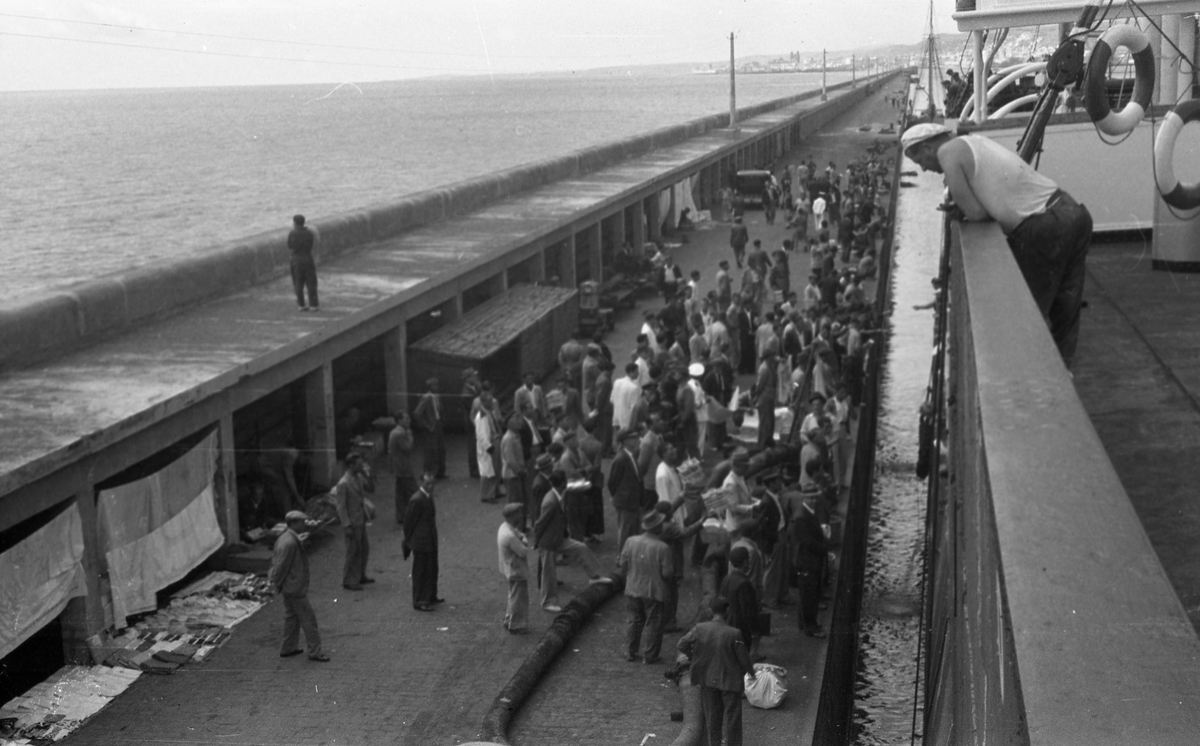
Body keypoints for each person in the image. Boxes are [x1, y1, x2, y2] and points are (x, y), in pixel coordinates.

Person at [901, 122, 1093, 367]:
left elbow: (977, 213)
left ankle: (1025, 377)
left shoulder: (946, 153)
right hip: (1071, 211)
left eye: (919, 163)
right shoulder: (973, 140)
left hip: (1042, 226)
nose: (925, 170)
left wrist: (960, 208)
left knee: (1024, 311)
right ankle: (1064, 370)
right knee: (1065, 310)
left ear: (927, 148)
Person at [677, 597, 754, 746]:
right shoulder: (734, 633)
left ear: (711, 611)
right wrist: (750, 672)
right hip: (730, 681)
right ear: (727, 611)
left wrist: (694, 657)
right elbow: (744, 659)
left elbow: (682, 644)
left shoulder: (700, 629)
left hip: (707, 678)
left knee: (712, 717)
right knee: (732, 718)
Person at [533, 469, 610, 613]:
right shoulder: (551, 501)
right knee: (548, 574)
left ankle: (595, 576)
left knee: (581, 548)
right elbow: (540, 524)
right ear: (561, 483)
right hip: (548, 543)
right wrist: (537, 542)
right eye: (565, 481)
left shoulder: (558, 494)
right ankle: (548, 602)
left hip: (559, 538)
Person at [269, 510, 329, 661]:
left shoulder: (285, 538)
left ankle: (288, 647)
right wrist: (276, 583)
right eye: (302, 522)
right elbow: (281, 567)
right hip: (294, 587)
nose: (304, 525)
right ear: (294, 523)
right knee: (309, 620)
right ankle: (315, 651)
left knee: (292, 617)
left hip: (289, 587)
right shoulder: (290, 542)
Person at [617, 509, 674, 664]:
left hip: (633, 588)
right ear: (656, 527)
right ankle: (650, 655)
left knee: (634, 620)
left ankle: (630, 652)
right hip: (654, 591)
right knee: (654, 623)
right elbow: (667, 573)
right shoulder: (663, 548)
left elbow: (623, 564)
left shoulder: (630, 541)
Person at [335, 452, 375, 591]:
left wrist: (367, 475)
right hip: (352, 522)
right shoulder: (343, 483)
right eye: (358, 464)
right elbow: (341, 507)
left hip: (361, 519)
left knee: (364, 548)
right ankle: (349, 580)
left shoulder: (358, 477)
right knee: (353, 551)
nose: (361, 466)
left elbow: (371, 489)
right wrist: (346, 525)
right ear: (351, 465)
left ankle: (360, 575)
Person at [403, 473, 443, 611]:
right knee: (421, 571)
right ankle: (420, 600)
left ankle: (430, 596)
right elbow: (408, 522)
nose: (430, 486)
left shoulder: (427, 497)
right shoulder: (417, 499)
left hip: (430, 539)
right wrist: (408, 540)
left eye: (432, 483)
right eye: (427, 484)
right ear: (422, 483)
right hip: (421, 542)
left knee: (431, 569)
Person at [608, 427, 646, 553]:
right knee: (625, 532)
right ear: (624, 441)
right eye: (632, 438)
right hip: (625, 502)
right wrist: (619, 496)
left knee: (634, 531)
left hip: (633, 501)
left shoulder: (630, 456)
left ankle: (630, 556)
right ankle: (622, 558)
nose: (636, 440)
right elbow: (612, 482)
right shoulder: (621, 458)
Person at [497, 503, 530, 634]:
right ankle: (516, 625)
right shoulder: (510, 536)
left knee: (513, 595)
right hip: (516, 569)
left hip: (508, 568)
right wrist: (524, 540)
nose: (522, 516)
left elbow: (519, 533)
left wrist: (521, 537)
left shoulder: (504, 527)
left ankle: (509, 619)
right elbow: (523, 551)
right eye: (519, 514)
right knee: (519, 598)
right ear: (513, 516)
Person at [388, 411, 418, 527]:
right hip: (403, 467)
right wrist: (410, 435)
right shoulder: (401, 434)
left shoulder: (394, 432)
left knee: (400, 493)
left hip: (398, 466)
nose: (409, 420)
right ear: (399, 420)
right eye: (406, 418)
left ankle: (401, 516)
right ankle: (415, 515)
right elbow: (408, 447)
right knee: (413, 490)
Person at [413, 378, 447, 479]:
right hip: (431, 427)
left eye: (437, 385)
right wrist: (426, 425)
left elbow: (440, 409)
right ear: (429, 387)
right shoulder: (426, 397)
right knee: (430, 451)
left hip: (438, 424)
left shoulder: (438, 396)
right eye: (434, 385)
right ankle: (429, 473)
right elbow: (417, 413)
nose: (436, 387)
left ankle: (440, 472)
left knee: (441, 449)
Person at [474, 388, 501, 503]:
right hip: (488, 446)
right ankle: (487, 495)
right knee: (487, 471)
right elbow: (481, 434)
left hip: (494, 440)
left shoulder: (490, 411)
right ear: (484, 402)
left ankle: (495, 491)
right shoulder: (482, 415)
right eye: (489, 401)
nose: (492, 403)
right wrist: (489, 447)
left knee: (495, 469)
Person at [288, 214, 319, 312]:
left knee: (298, 283)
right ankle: (313, 305)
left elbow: (289, 245)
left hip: (296, 260)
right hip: (307, 258)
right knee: (311, 282)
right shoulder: (309, 232)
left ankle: (301, 304)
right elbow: (314, 243)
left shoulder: (292, 233)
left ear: (295, 223)